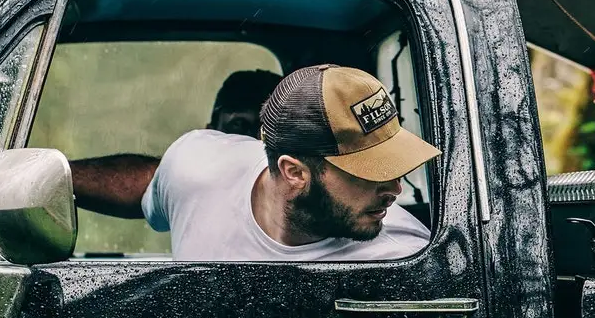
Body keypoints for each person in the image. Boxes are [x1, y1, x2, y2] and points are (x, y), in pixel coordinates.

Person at [143, 65, 440, 261]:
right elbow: (152, 209)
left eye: (394, 166)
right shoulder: (192, 166)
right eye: (370, 172)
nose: (395, 189)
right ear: (295, 173)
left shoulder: (403, 256)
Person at [70, 69, 280, 218]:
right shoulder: (189, 175)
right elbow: (152, 183)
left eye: (270, 130)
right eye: (239, 126)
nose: (255, 142)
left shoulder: (296, 183)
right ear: (209, 134)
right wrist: (55, 176)